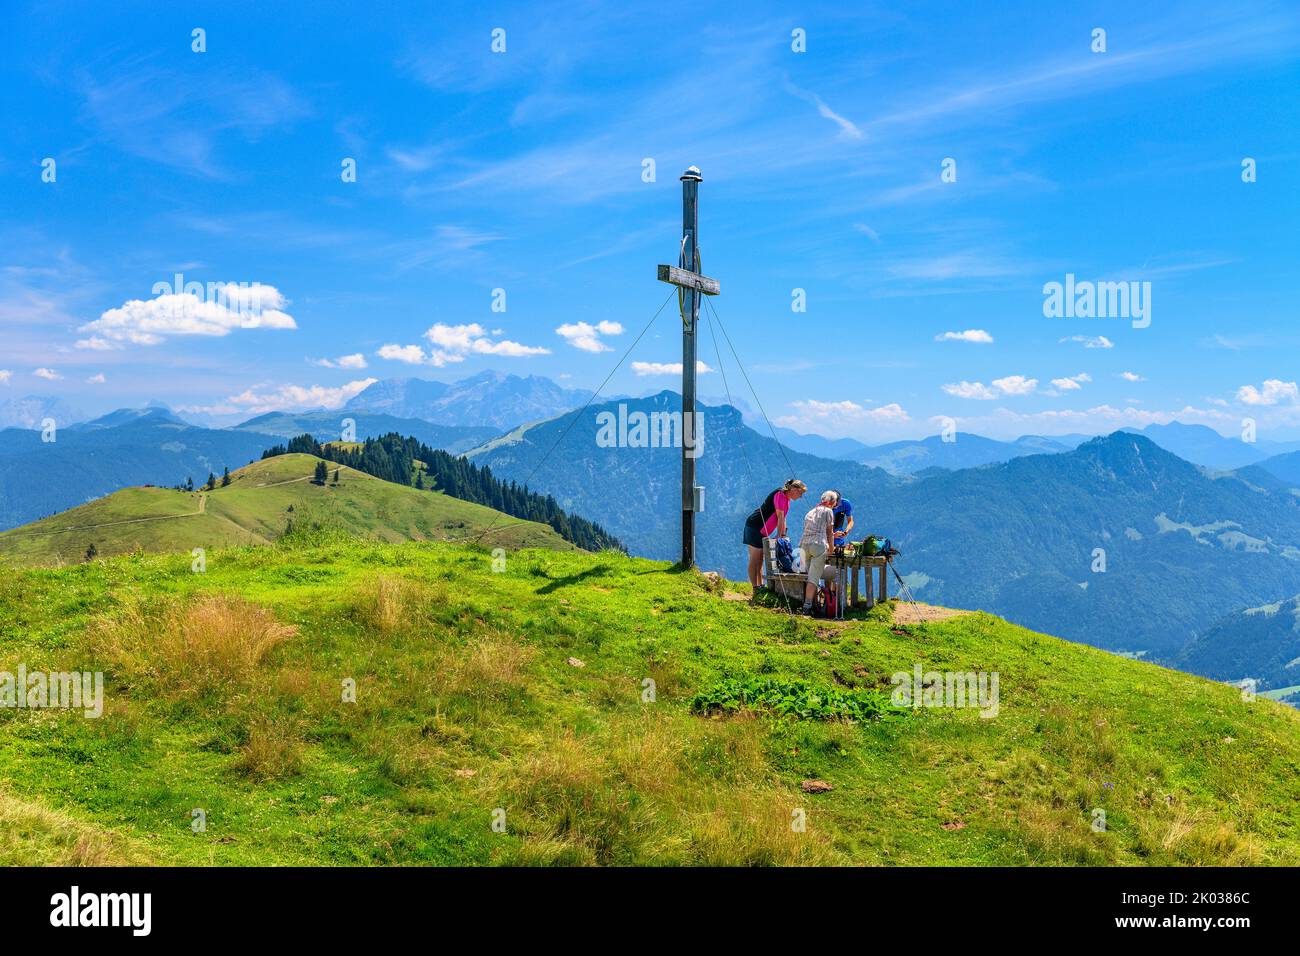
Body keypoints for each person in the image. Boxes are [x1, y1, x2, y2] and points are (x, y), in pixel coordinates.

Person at [743, 479, 807, 593]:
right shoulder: (780, 494)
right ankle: (755, 587)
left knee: (760, 559)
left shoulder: (786, 498)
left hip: (762, 530)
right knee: (755, 558)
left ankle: (760, 586)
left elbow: (784, 517)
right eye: (800, 493)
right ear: (794, 490)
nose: (801, 496)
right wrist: (778, 535)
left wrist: (783, 534)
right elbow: (780, 516)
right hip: (755, 526)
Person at [799, 490, 838, 614]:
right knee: (813, 578)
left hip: (804, 546)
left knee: (810, 574)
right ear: (832, 502)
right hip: (818, 546)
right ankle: (807, 607)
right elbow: (829, 533)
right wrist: (831, 551)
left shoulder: (810, 512)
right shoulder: (828, 511)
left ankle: (814, 604)